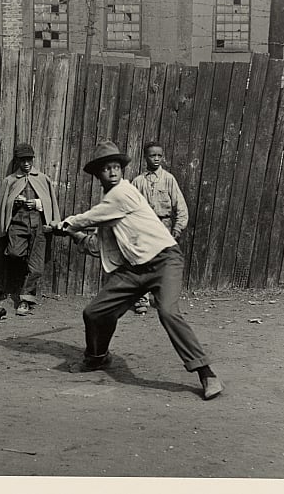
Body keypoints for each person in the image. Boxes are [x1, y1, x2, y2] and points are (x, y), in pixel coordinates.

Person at [51, 140, 223, 400]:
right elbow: (98, 244)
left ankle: (206, 373)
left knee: (167, 312)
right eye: (106, 168)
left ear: (122, 170)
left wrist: (65, 224)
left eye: (116, 167)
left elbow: (89, 218)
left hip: (164, 260)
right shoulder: (110, 205)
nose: (112, 172)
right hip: (134, 269)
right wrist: (71, 234)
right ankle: (97, 357)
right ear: (98, 174)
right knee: (95, 312)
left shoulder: (123, 192)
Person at [0, 143, 59, 316]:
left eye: (29, 159)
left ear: (33, 159)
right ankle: (26, 264)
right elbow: (2, 205)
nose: (26, 164)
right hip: (18, 223)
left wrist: (38, 203)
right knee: (15, 252)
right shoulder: (10, 181)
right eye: (22, 160)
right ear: (18, 161)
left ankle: (25, 300)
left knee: (36, 267)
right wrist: (15, 202)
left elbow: (50, 202)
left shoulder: (42, 178)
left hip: (39, 224)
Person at [130, 141, 188, 314]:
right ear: (145, 157)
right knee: (143, 263)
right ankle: (142, 300)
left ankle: (163, 299)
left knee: (164, 263)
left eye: (159, 156)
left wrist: (176, 230)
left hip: (164, 227)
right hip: (144, 228)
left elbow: (181, 208)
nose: (156, 159)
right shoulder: (138, 182)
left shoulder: (169, 179)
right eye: (152, 155)